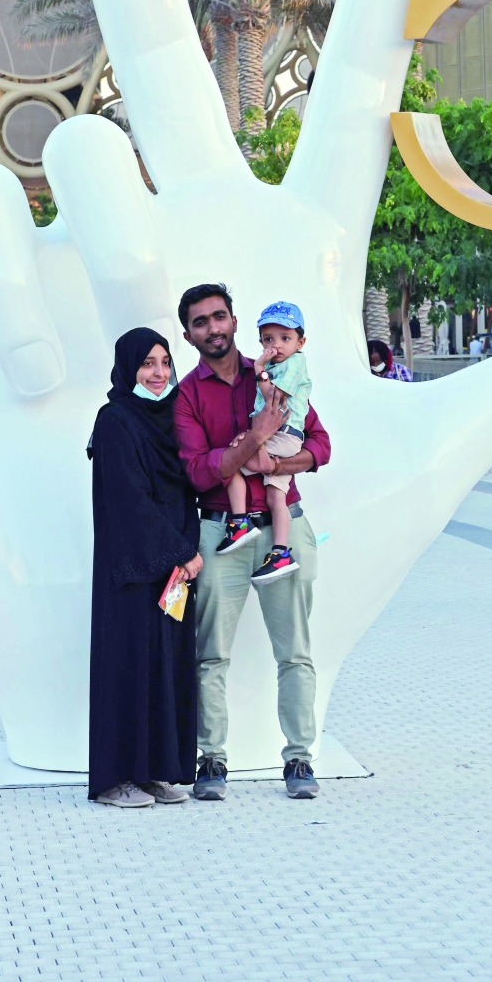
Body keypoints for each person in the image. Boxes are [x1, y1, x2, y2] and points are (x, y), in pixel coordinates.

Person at [173, 284, 331, 802]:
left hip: (285, 524)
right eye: (200, 322)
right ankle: (211, 758)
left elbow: (320, 444)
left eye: (219, 316)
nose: (213, 327)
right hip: (221, 531)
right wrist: (257, 437)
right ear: (189, 334)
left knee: (295, 652)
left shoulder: (277, 371)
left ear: (235, 321)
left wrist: (274, 461)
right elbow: (200, 472)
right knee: (210, 654)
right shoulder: (187, 395)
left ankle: (300, 758)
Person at [87, 328, 202, 809]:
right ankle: (114, 780)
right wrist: (180, 552)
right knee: (128, 666)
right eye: (147, 363)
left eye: (165, 362)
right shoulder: (114, 419)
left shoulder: (173, 417)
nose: (158, 373)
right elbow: (129, 498)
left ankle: (153, 772)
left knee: (164, 667)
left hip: (173, 568)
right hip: (132, 568)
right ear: (128, 368)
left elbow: (189, 486)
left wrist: (187, 550)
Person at [219, 301, 312, 583]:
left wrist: (259, 367)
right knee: (275, 497)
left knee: (232, 463)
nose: (276, 345)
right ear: (261, 340)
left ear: (300, 342)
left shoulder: (294, 364)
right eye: (269, 339)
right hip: (281, 437)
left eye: (285, 338)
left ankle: (239, 523)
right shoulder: (278, 365)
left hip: (284, 436)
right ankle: (281, 553)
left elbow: (273, 397)